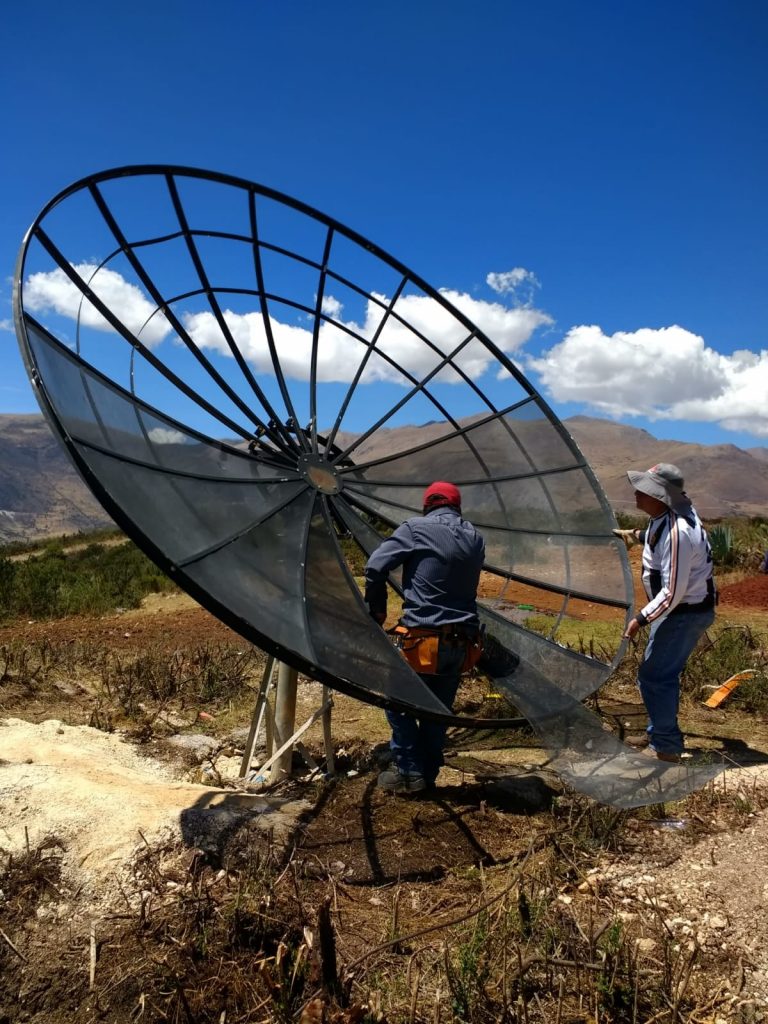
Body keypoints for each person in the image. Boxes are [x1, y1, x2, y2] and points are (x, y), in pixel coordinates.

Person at [364, 481, 485, 794]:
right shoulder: (475, 536)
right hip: (462, 643)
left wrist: (377, 609)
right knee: (437, 710)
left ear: (427, 504)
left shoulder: (415, 529)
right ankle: (427, 773)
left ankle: (408, 771)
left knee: (398, 703)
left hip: (423, 640)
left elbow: (375, 567)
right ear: (457, 506)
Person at [622, 463, 716, 762]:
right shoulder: (668, 517)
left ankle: (665, 747)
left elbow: (673, 592)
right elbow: (657, 535)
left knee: (656, 677)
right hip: (675, 612)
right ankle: (659, 733)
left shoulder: (679, 533)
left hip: (682, 613)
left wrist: (640, 618)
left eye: (644, 490)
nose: (637, 494)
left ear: (660, 496)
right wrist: (635, 534)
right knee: (657, 674)